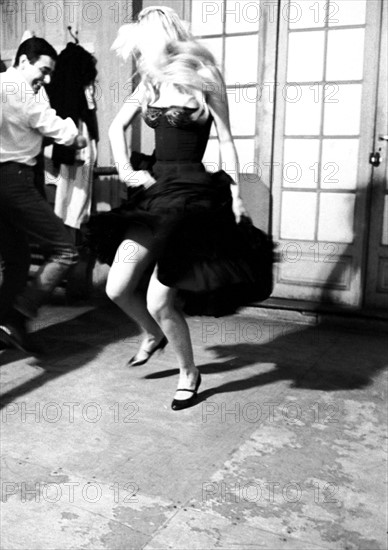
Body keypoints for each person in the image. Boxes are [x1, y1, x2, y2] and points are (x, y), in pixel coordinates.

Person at [89, 6, 272, 410]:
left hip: (193, 200)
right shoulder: (150, 80)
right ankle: (153, 334)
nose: (140, 50)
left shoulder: (205, 77)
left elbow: (226, 139)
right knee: (116, 286)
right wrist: (126, 171)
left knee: (159, 298)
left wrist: (238, 193)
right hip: (155, 194)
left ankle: (188, 372)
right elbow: (116, 126)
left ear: (165, 37)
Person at [0, 37, 87, 353]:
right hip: (16, 181)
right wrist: (76, 138)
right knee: (65, 250)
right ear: (23, 62)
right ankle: (17, 318)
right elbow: (52, 125)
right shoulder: (22, 89)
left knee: (17, 258)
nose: (46, 79)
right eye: (43, 70)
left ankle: (4, 323)